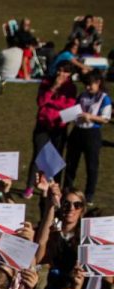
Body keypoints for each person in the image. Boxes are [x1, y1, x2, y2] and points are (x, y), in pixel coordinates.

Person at [23, 61, 77, 198]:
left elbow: (68, 106)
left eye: (65, 71)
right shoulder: (47, 82)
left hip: (59, 127)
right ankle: (30, 186)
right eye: (59, 70)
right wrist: (53, 88)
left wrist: (51, 102)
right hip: (43, 124)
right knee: (38, 156)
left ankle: (53, 188)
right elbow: (41, 101)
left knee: (55, 158)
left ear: (70, 74)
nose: (61, 74)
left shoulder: (71, 87)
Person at [64, 70, 111, 206]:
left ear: (98, 82)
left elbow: (105, 118)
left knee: (91, 166)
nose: (87, 87)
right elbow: (74, 109)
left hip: (92, 133)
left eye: (90, 84)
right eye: (86, 85)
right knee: (71, 163)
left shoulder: (104, 98)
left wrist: (90, 117)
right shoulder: (82, 95)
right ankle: (67, 190)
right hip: (77, 131)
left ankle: (89, 195)